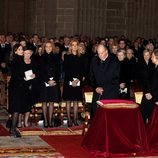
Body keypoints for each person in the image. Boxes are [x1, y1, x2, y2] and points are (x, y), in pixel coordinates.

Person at [89, 44, 120, 118]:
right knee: (96, 114)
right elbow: (91, 76)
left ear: (106, 51)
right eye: (98, 53)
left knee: (109, 116)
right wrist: (96, 87)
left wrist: (104, 89)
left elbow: (116, 79)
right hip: (97, 92)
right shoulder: (94, 60)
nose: (100, 55)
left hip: (110, 92)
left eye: (102, 53)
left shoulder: (114, 61)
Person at [63, 39, 85, 126]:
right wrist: (71, 81)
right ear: (70, 46)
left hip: (78, 81)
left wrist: (77, 80)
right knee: (68, 101)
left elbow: (82, 70)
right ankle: (69, 120)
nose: (74, 46)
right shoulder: (67, 56)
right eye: (73, 45)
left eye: (76, 45)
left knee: (75, 101)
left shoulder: (81, 57)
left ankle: (75, 120)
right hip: (68, 81)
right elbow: (66, 70)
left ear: (78, 46)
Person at [39, 41, 61, 128]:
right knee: (44, 102)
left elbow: (59, 70)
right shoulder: (41, 58)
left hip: (54, 82)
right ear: (44, 48)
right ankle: (45, 120)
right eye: (46, 46)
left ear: (52, 48)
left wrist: (54, 80)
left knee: (51, 102)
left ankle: (50, 120)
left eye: (50, 46)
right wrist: (47, 80)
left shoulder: (56, 57)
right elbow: (40, 71)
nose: (48, 48)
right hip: (44, 82)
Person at [8, 44, 24, 137]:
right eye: (19, 49)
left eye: (22, 49)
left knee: (17, 108)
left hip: (18, 86)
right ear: (15, 51)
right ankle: (12, 129)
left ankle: (13, 129)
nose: (21, 50)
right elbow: (16, 75)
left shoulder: (20, 60)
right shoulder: (15, 60)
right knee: (16, 108)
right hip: (16, 87)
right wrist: (25, 78)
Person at [140, 49, 158, 124]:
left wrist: (152, 94)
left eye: (153, 57)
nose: (151, 58)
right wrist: (147, 92)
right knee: (143, 113)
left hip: (155, 96)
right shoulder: (153, 66)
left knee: (150, 117)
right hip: (148, 94)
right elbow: (148, 81)